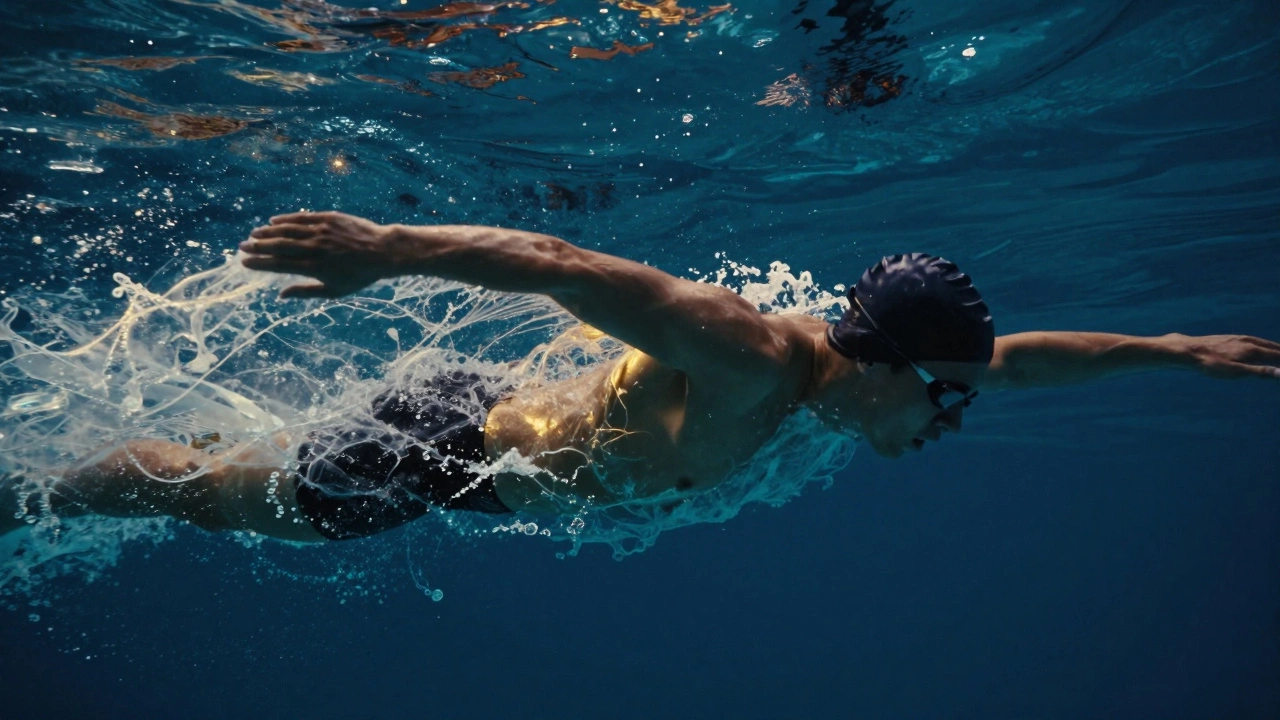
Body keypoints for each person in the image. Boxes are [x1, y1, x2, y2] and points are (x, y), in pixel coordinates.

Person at [2, 211, 1277, 542]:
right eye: (948, 396)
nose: (958, 413)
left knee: (232, 500)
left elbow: (1034, 362)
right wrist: (385, 252)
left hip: (487, 469)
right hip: (444, 453)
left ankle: (45, 486)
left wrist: (1175, 350)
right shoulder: (749, 354)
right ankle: (39, 490)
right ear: (888, 367)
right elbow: (564, 264)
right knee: (218, 503)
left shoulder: (865, 378)